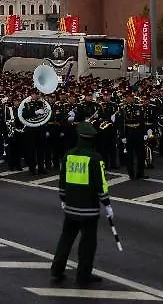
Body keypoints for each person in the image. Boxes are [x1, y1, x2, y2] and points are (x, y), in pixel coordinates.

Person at [50, 122, 111, 285]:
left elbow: (62, 181)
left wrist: (63, 198)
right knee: (88, 243)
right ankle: (83, 275)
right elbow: (101, 183)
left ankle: (57, 268)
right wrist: (107, 203)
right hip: (89, 209)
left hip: (70, 207)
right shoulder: (95, 158)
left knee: (66, 239)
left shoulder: (69, 155)